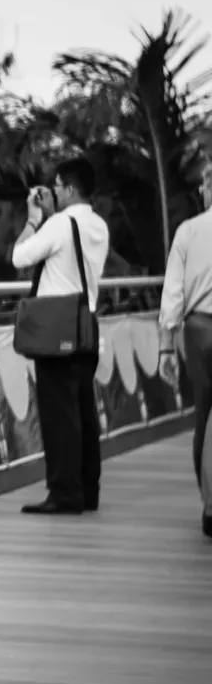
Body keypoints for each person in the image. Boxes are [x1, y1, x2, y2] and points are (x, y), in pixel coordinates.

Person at [11, 156, 111, 515]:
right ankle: (88, 491)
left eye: (56, 185)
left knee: (58, 415)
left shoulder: (58, 225)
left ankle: (64, 493)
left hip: (56, 332)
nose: (52, 189)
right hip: (86, 326)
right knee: (84, 412)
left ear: (69, 188)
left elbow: (20, 257)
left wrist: (34, 220)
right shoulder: (98, 225)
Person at [159, 160, 212, 539]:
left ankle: (210, 506)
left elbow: (172, 295)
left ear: (208, 188)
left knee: (205, 417)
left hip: (200, 330)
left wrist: (165, 348)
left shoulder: (189, 231)